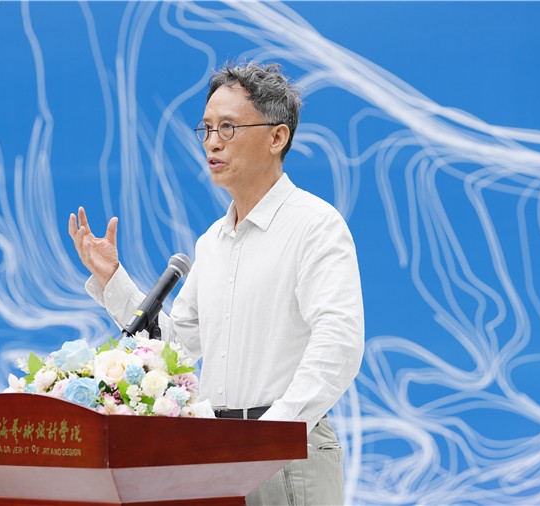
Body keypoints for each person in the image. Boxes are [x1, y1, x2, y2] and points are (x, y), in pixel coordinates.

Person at [68, 61, 364, 505]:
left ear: (277, 137)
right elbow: (177, 349)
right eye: (206, 128)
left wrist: (271, 436)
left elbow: (338, 345)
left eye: (228, 127)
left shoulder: (315, 226)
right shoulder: (212, 241)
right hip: (215, 453)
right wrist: (113, 279)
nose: (212, 142)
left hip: (288, 454)